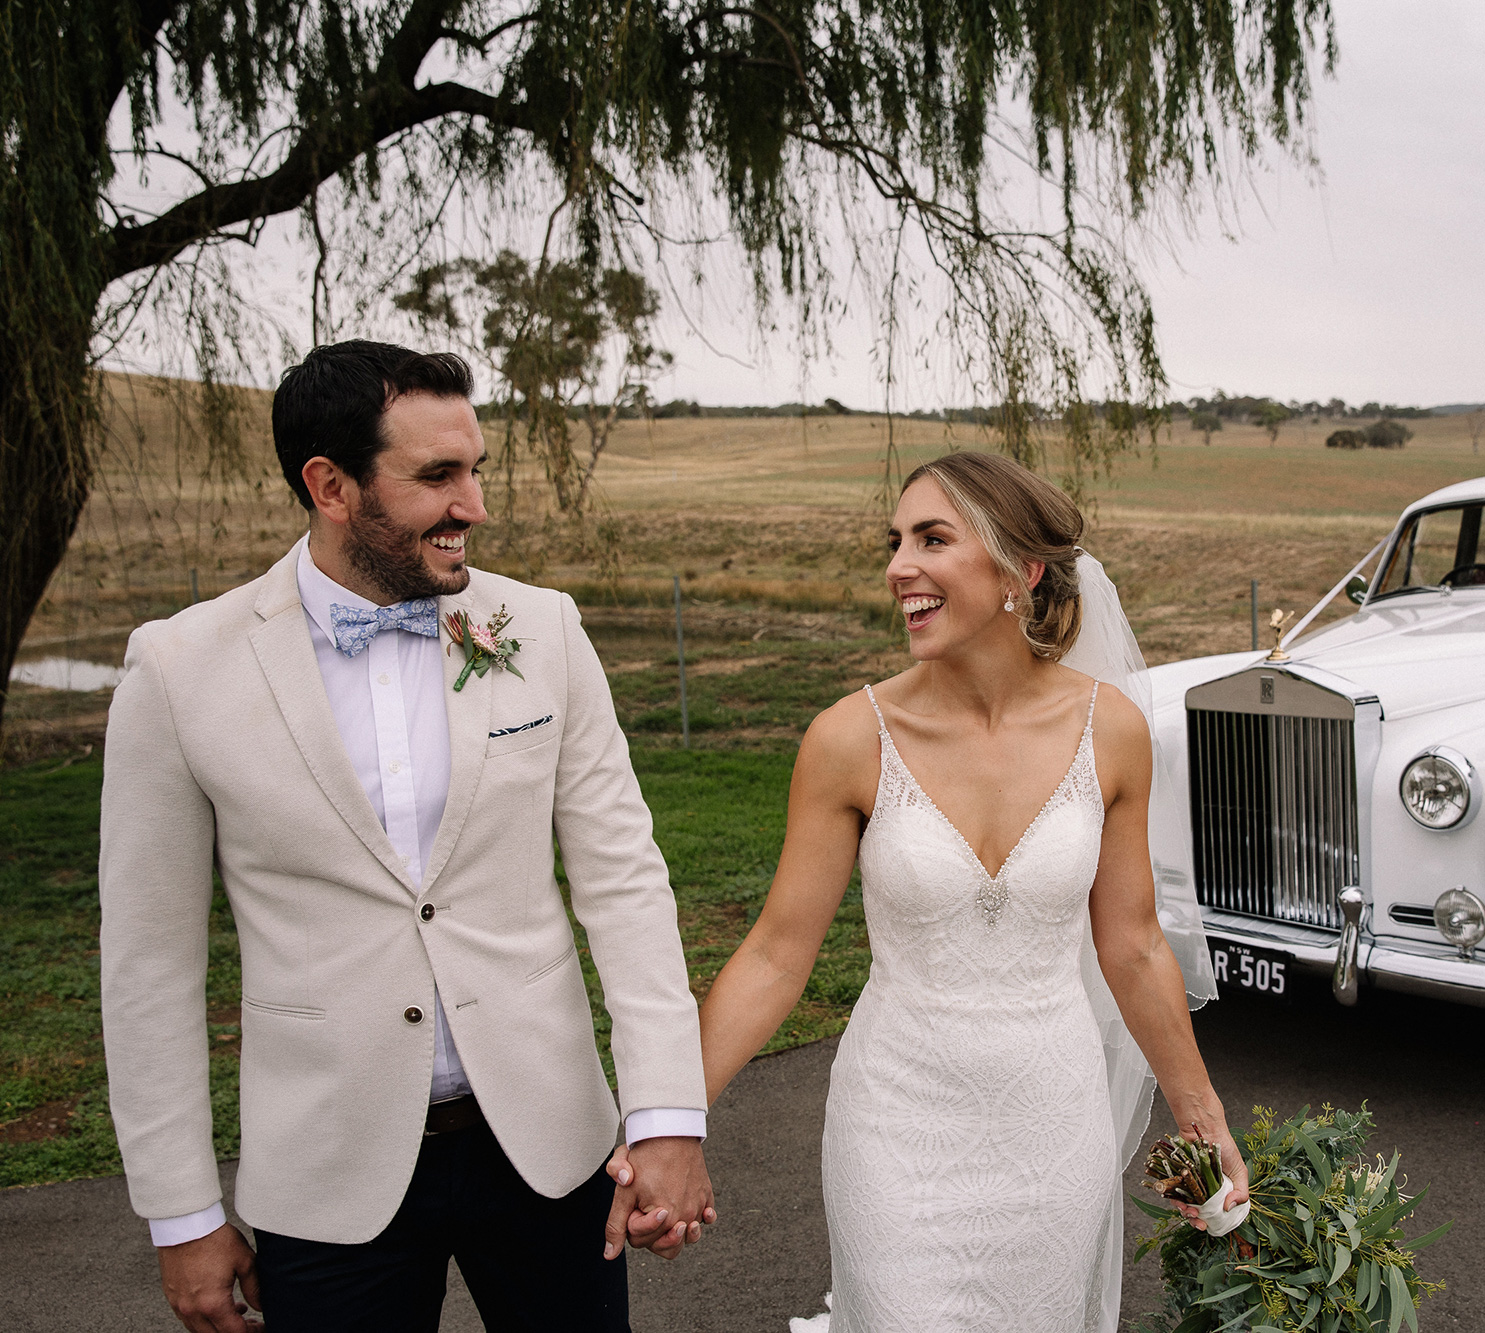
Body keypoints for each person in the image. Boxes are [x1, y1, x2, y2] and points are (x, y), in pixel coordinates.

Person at [99, 341, 712, 1333]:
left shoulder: (540, 628)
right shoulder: (178, 671)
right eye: (436, 476)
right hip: (327, 1170)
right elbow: (146, 966)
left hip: (550, 1146)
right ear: (331, 486)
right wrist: (181, 1212)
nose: (472, 502)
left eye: (474, 468)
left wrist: (667, 1117)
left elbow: (624, 883)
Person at [608, 451, 1245, 1332]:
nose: (897, 565)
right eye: (896, 540)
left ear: (1020, 570)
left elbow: (1132, 944)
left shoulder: (1113, 731)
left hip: (1053, 1121)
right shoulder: (849, 737)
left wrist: (1202, 1119)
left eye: (932, 538)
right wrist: (666, 1125)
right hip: (897, 1123)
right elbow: (776, 953)